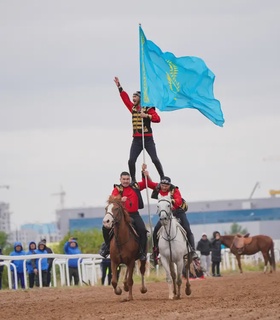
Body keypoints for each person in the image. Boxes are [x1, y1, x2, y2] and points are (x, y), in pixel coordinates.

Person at [114, 76, 164, 182]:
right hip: (137, 140)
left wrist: (146, 116)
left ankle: (162, 177)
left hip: (147, 139)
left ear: (140, 98)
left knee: (154, 159)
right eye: (133, 96)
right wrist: (119, 87)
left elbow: (157, 119)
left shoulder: (148, 108)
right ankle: (134, 180)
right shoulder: (132, 108)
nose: (133, 98)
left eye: (135, 96)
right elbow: (125, 99)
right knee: (131, 161)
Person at [144, 172, 198, 264]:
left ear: (169, 185)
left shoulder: (175, 190)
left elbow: (179, 200)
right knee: (156, 230)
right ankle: (155, 251)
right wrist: (145, 175)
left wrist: (171, 201)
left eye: (166, 186)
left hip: (177, 212)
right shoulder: (158, 187)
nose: (164, 187)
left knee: (187, 228)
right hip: (165, 214)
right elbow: (149, 183)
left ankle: (192, 251)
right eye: (163, 185)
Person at [100, 167, 148, 261]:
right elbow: (112, 199)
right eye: (124, 179)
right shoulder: (117, 189)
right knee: (105, 228)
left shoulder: (135, 186)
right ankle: (107, 247)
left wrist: (144, 174)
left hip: (134, 214)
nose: (126, 181)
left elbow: (145, 183)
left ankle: (142, 252)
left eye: (127, 179)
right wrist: (120, 199)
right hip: (120, 215)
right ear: (120, 179)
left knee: (143, 230)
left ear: (129, 179)